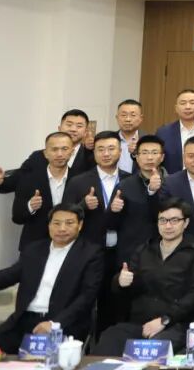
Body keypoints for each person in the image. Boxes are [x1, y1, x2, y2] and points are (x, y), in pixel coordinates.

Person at [96, 198, 194, 355]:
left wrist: (165, 320)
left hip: (176, 325)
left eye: (174, 220)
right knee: (109, 339)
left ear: (185, 223)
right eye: (163, 220)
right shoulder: (144, 250)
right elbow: (125, 288)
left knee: (153, 351)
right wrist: (120, 281)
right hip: (140, 324)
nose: (168, 226)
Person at [0, 203, 103, 352]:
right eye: (56, 223)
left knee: (42, 359)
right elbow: (9, 275)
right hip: (24, 319)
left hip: (62, 323)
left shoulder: (90, 254)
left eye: (69, 223)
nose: (62, 228)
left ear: (80, 225)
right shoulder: (34, 249)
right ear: (49, 225)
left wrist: (55, 323)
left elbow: (87, 297)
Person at [66, 131, 129, 335]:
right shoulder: (78, 182)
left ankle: (108, 343)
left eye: (111, 149)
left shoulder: (130, 180)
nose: (106, 154)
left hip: (121, 253)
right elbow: (65, 215)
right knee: (83, 303)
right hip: (89, 251)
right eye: (101, 149)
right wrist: (83, 205)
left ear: (120, 151)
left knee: (115, 304)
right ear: (94, 153)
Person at [0, 110, 96, 196]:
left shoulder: (93, 158)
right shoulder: (37, 157)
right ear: (59, 128)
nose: (73, 129)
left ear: (86, 132)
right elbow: (16, 181)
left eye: (79, 126)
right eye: (69, 124)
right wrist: (0, 182)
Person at [13, 132, 74, 250]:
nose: (60, 154)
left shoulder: (80, 179)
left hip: (70, 246)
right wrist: (30, 206)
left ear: (72, 152)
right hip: (34, 246)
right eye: (54, 149)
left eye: (64, 149)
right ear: (46, 153)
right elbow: (17, 217)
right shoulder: (28, 179)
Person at [113, 135, 168, 263]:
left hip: (163, 252)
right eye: (144, 153)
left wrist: (153, 191)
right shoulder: (124, 185)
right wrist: (113, 210)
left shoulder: (172, 183)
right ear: (137, 157)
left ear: (162, 157)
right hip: (131, 253)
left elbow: (161, 215)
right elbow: (112, 224)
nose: (149, 157)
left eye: (154, 153)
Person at [156, 89, 194, 175]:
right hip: (172, 180)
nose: (187, 107)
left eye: (192, 103)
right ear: (176, 108)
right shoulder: (163, 133)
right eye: (183, 103)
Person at [115, 100, 144, 174]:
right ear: (117, 118)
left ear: (141, 118)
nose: (128, 119)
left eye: (133, 115)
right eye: (123, 115)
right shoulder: (109, 140)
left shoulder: (149, 141)